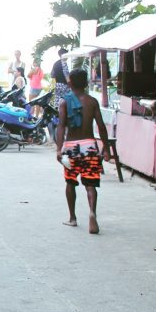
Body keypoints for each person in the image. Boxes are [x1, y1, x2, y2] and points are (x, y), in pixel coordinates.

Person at [55, 68, 111, 234]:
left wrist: (59, 149)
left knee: (70, 183)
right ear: (86, 83)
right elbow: (101, 126)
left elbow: (61, 126)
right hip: (89, 147)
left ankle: (72, 218)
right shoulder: (92, 101)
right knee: (90, 184)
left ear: (69, 83)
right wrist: (105, 148)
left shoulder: (65, 102)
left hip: (71, 148)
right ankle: (92, 212)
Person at [48, 48, 69, 140]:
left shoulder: (55, 63)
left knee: (58, 104)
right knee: (66, 102)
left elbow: (52, 75)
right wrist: (70, 84)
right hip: (64, 85)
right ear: (63, 55)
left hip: (57, 84)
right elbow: (66, 75)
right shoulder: (64, 63)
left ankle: (57, 119)